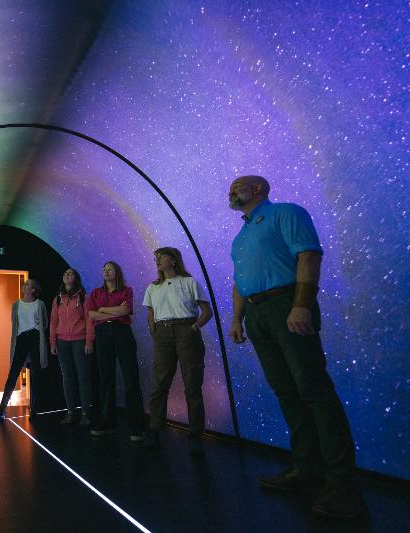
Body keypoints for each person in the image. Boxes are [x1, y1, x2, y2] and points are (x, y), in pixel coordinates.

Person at [227, 175, 367, 519]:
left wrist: (301, 304)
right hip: (257, 313)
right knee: (286, 390)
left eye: (238, 185)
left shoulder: (285, 213)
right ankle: (307, 468)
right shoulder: (241, 236)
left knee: (313, 389)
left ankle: (344, 487)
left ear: (259, 189)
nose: (231, 190)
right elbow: (240, 281)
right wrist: (237, 319)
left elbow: (307, 256)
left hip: (285, 303)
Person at [143, 247, 212, 455]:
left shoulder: (189, 282)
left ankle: (195, 435)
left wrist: (194, 327)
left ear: (173, 260)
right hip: (162, 332)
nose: (157, 260)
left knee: (192, 384)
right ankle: (154, 430)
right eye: (156, 257)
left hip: (186, 329)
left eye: (161, 256)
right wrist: (154, 331)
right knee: (159, 383)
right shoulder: (153, 287)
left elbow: (206, 311)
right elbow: (151, 312)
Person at [85, 261, 150, 442]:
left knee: (131, 378)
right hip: (102, 333)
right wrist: (116, 311)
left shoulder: (126, 290)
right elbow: (92, 315)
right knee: (106, 379)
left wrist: (103, 309)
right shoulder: (95, 293)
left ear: (117, 272)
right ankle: (108, 423)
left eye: (110, 269)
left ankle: (137, 427)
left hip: (122, 332)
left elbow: (126, 310)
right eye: (104, 269)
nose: (106, 272)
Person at [0, 279, 48, 422]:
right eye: (24, 284)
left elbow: (44, 324)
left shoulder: (40, 304)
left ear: (33, 290)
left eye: (27, 284)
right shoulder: (16, 305)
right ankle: (2, 410)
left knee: (36, 374)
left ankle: (34, 410)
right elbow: (15, 323)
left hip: (35, 338)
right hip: (21, 339)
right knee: (13, 374)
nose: (24, 286)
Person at [50, 268, 91, 427]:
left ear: (75, 277)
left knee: (83, 376)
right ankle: (71, 412)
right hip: (62, 342)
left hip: (79, 341)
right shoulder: (58, 299)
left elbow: (89, 320)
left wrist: (89, 341)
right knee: (67, 377)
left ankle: (85, 413)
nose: (67, 275)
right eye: (65, 273)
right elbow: (53, 321)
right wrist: (53, 342)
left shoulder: (83, 297)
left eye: (71, 274)